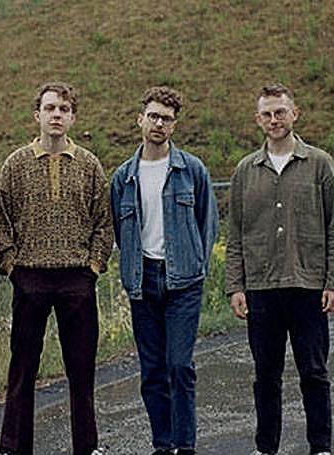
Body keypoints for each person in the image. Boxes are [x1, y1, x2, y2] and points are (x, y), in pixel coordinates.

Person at [225, 83, 334, 455]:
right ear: (258, 119)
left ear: (295, 113)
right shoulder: (245, 170)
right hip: (261, 289)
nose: (274, 119)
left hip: (308, 286)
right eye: (267, 114)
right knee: (265, 376)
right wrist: (235, 287)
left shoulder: (319, 163)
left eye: (280, 112)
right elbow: (235, 233)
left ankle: (320, 446)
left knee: (314, 372)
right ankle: (266, 448)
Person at [0, 82, 113, 455]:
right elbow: (2, 221)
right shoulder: (16, 164)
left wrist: (93, 267)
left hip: (77, 279)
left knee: (81, 370)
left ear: (73, 117)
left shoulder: (89, 164)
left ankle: (86, 447)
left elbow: (103, 222)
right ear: (38, 115)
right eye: (50, 108)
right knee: (23, 369)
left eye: (64, 109)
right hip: (29, 277)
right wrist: (12, 267)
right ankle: (15, 447)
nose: (56, 115)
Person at [111, 86, 219, 455]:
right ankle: (162, 444)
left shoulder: (192, 170)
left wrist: (197, 266)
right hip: (142, 281)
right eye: (153, 116)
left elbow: (208, 223)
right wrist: (132, 269)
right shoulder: (124, 176)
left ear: (174, 125)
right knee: (152, 369)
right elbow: (120, 230)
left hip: (183, 282)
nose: (159, 123)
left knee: (179, 365)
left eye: (167, 119)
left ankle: (185, 445)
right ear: (140, 119)